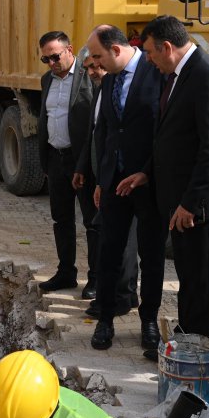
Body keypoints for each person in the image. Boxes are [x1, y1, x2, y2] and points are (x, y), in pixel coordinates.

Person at [117, 16, 209, 340]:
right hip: (183, 199)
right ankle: (188, 332)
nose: (147, 59)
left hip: (203, 203)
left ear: (168, 47)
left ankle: (198, 344)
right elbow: (169, 137)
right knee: (188, 274)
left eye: (149, 52)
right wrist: (147, 172)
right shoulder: (176, 75)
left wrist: (190, 202)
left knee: (201, 278)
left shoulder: (208, 76)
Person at [78, 24, 167, 354]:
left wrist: (146, 173)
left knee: (152, 255)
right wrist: (102, 180)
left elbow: (163, 132)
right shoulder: (111, 78)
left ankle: (148, 321)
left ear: (116, 50)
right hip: (114, 183)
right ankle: (106, 319)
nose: (93, 62)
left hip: (148, 183)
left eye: (97, 55)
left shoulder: (154, 72)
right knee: (109, 252)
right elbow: (104, 131)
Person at [74, 48, 139, 313]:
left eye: (95, 66)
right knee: (108, 235)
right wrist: (84, 168)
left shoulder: (127, 86)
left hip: (125, 176)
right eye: (88, 68)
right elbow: (95, 133)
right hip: (103, 175)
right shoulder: (104, 87)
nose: (92, 73)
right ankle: (120, 294)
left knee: (125, 240)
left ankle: (121, 297)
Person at [36, 31, 99, 295]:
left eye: (55, 56)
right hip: (55, 158)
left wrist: (83, 165)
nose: (51, 63)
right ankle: (66, 273)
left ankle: (96, 278)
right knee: (61, 219)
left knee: (92, 221)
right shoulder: (46, 80)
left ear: (69, 50)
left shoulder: (89, 78)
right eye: (45, 59)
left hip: (81, 161)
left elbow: (95, 125)